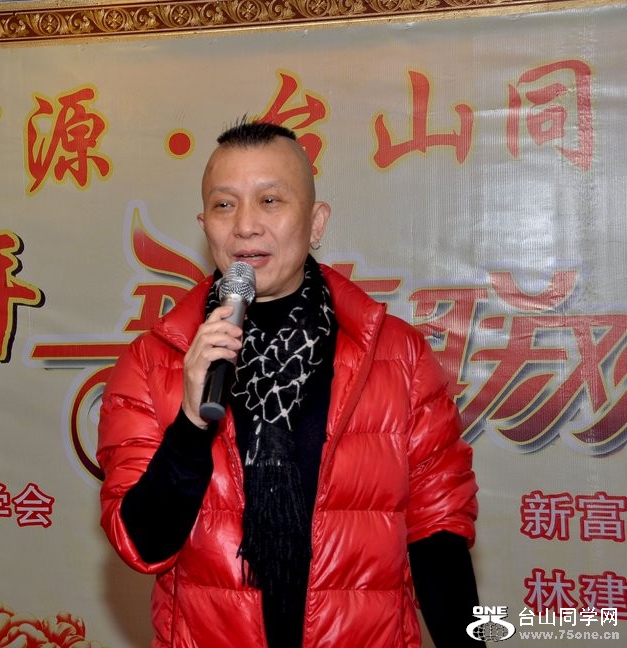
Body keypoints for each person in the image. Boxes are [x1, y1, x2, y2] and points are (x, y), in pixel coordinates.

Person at [96, 119, 482, 647]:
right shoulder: (152, 362)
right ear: (204, 225)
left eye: (270, 201)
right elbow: (141, 545)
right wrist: (189, 423)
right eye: (224, 205)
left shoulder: (398, 356)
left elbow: (438, 539)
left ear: (316, 222)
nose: (245, 226)